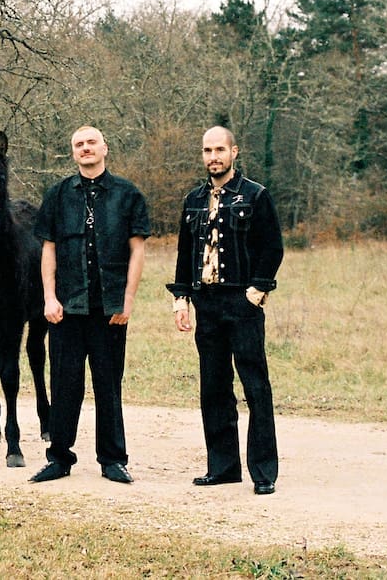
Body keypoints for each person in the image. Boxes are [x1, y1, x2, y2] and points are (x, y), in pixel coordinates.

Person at [28, 126, 151, 484]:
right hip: (66, 309)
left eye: (91, 143)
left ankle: (112, 459)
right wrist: (49, 297)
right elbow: (48, 250)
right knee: (64, 384)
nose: (85, 148)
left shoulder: (128, 195)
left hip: (109, 309)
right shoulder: (58, 196)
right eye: (79, 144)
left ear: (104, 148)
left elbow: (137, 251)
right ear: (73, 152)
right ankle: (59, 458)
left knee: (108, 385)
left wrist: (127, 301)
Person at [169, 125, 284, 495]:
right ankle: (223, 467)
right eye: (207, 150)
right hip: (208, 303)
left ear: (235, 152)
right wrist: (182, 298)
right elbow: (184, 254)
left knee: (255, 386)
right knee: (214, 387)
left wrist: (257, 290)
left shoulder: (255, 196)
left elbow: (273, 248)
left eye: (220, 149)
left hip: (242, 302)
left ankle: (263, 472)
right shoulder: (194, 200)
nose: (213, 157)